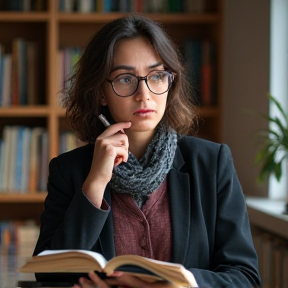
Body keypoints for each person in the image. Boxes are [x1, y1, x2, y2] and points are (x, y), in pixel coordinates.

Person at [33, 14, 261, 288]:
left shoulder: (211, 163)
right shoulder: (69, 171)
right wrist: (94, 185)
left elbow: (245, 277)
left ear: (170, 81)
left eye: (156, 76)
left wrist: (187, 284)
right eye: (125, 79)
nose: (144, 94)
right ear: (101, 92)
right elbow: (48, 277)